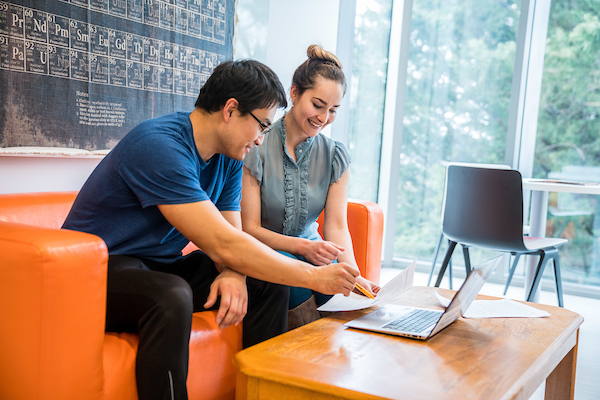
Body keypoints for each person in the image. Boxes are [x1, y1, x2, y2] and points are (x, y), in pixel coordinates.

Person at [62, 59, 360, 400]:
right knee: (172, 295)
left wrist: (235, 272)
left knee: (267, 285)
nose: (262, 140)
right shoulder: (160, 146)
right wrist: (313, 277)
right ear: (231, 110)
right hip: (93, 274)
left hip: (155, 264)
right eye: (262, 126)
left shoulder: (230, 156)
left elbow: (233, 234)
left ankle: (261, 394)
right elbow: (223, 242)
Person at [241, 45, 380, 329]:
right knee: (296, 285)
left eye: (333, 110)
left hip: (313, 251)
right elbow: (249, 229)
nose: (324, 117)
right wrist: (303, 248)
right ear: (294, 93)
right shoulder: (255, 145)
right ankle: (297, 362)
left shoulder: (335, 155)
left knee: (344, 289)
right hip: (267, 251)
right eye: (317, 105)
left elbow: (337, 226)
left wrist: (353, 274)